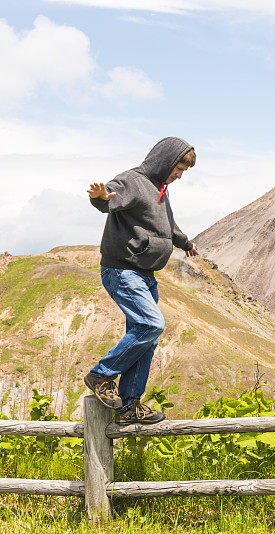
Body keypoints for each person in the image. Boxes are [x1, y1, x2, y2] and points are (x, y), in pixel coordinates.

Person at [84, 137, 198, 425]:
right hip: (123, 271)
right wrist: (100, 197)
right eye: (178, 167)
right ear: (164, 160)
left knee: (146, 339)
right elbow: (109, 197)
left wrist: (184, 242)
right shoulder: (132, 181)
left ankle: (129, 406)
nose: (180, 174)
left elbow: (167, 225)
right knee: (151, 324)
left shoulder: (161, 189)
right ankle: (102, 374)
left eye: (184, 170)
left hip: (145, 275)